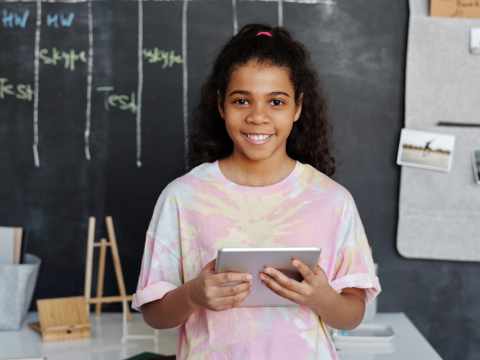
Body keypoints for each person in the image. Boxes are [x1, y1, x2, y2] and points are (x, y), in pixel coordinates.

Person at [132, 24, 381, 359]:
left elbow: (352, 314)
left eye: (276, 101)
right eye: (241, 100)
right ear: (221, 105)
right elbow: (154, 314)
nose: (257, 117)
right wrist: (192, 295)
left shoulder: (332, 201)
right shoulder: (183, 197)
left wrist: (322, 298)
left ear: (297, 108)